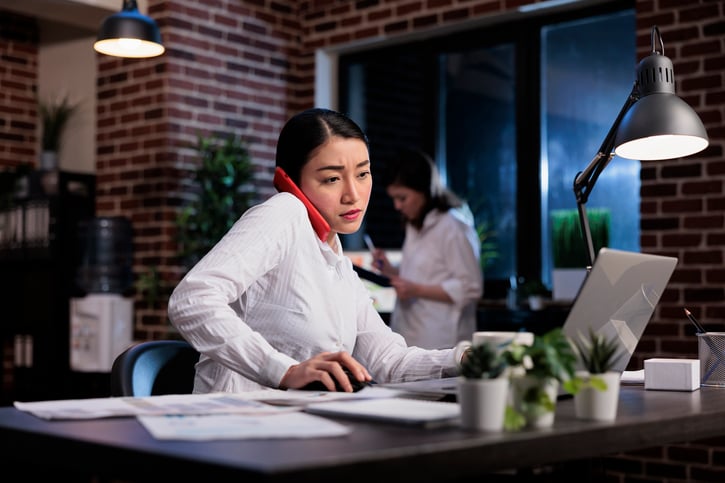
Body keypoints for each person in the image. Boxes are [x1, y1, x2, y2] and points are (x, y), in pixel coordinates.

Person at [167, 108, 463, 394]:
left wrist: (464, 358)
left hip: (305, 430)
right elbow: (192, 299)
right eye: (332, 179)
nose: (353, 194)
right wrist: (284, 371)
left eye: (362, 174)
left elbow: (390, 361)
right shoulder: (284, 212)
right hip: (236, 428)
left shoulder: (337, 262)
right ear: (292, 182)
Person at [371, 147, 483, 350]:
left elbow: (471, 287)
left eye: (402, 198)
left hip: (441, 339)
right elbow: (425, 274)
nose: (397, 206)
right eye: (393, 199)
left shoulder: (454, 227)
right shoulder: (415, 225)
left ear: (425, 190)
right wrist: (391, 270)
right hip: (410, 332)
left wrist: (417, 290)